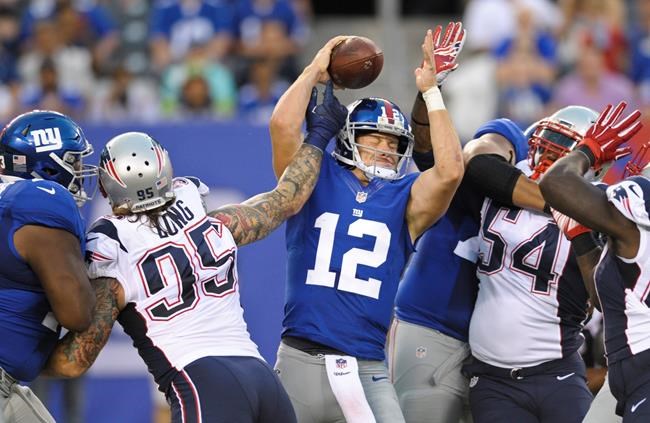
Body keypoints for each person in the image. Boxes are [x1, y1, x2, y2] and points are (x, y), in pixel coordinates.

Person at [42, 81, 348, 422]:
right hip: (261, 378)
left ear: (106, 186)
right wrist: (320, 132)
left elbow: (74, 361)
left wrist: (19, 358)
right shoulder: (208, 219)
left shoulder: (114, 245)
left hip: (203, 383)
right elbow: (286, 199)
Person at [269, 25, 465, 423]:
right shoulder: (315, 175)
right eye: (376, 138)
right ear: (349, 139)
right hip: (299, 358)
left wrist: (431, 89)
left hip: (366, 365)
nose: (386, 149)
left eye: (394, 144)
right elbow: (283, 128)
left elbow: (449, 172)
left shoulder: (404, 197)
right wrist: (314, 70)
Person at [459, 104, 608, 423]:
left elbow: (603, 296)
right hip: (492, 378)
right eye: (551, 135)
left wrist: (581, 227)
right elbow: (476, 161)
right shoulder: (510, 178)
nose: (553, 148)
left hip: (556, 371)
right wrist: (559, 204)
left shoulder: (598, 203)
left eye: (566, 144)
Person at [540, 101, 650, 421]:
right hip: (628, 374)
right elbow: (611, 301)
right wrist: (584, 236)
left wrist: (588, 149)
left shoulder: (640, 200)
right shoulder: (633, 230)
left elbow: (554, 183)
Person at [0, 110, 96, 422]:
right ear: (47, 164)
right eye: (74, 161)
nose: (80, 172)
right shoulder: (41, 199)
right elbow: (77, 314)